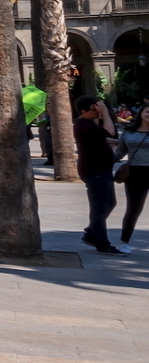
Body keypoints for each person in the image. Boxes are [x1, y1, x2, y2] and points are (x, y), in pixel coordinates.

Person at [74, 96, 123, 254]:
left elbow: (103, 138)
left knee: (109, 204)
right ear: (83, 111)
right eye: (94, 109)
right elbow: (111, 131)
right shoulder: (83, 124)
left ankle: (91, 233)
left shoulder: (88, 125)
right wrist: (106, 114)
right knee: (99, 208)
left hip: (101, 170)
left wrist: (110, 142)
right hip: (95, 172)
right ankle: (102, 243)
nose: (97, 112)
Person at [114, 104, 149, 254]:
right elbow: (120, 152)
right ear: (141, 112)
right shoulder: (128, 131)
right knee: (133, 209)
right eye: (148, 111)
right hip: (135, 173)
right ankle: (124, 242)